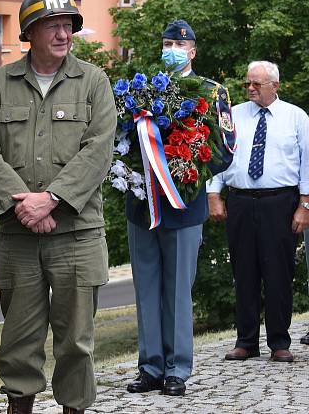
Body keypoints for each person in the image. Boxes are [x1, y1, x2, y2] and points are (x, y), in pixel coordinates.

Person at [0, 0, 115, 414]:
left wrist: (51, 199)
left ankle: (74, 408)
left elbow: (98, 150)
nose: (63, 33)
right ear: (29, 32)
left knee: (75, 338)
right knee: (18, 338)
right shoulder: (0, 83)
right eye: (52, 26)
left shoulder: (93, 81)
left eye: (68, 26)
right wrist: (26, 207)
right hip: (19, 235)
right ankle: (20, 407)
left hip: (77, 233)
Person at [124, 20, 235, 397]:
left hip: (184, 204)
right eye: (167, 42)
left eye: (178, 44)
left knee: (177, 291)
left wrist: (186, 169)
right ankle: (150, 367)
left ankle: (177, 369)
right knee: (146, 287)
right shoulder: (142, 89)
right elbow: (124, 137)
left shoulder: (211, 91)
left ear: (193, 51)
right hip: (142, 203)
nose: (171, 48)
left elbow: (225, 149)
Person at [208, 60, 309, 364]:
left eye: (257, 84)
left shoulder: (296, 117)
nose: (250, 88)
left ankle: (279, 341)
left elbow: (307, 162)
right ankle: (246, 340)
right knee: (244, 271)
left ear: (275, 86)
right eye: (247, 83)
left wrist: (305, 205)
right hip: (240, 200)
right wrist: (214, 193)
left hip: (281, 202)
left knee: (279, 272)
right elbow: (218, 156)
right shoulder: (233, 116)